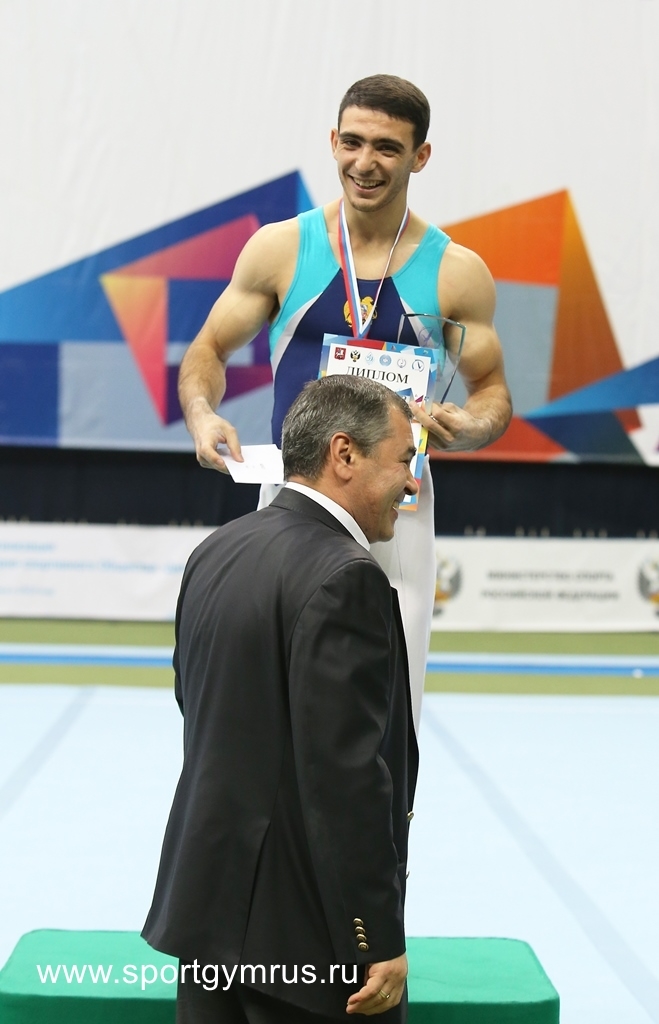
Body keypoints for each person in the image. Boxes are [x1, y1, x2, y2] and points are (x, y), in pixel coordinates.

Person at [177, 74, 512, 729]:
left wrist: (472, 426)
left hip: (396, 509)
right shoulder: (281, 249)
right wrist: (201, 411)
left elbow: (492, 390)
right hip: (291, 496)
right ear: (332, 141)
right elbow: (207, 352)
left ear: (420, 156)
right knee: (266, 704)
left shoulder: (456, 272)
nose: (365, 163)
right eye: (352, 142)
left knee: (386, 714)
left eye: (387, 148)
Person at [142, 375, 420, 1023]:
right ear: (344, 454)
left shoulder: (216, 550)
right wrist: (373, 935)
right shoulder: (347, 576)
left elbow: (195, 704)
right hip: (305, 942)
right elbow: (345, 779)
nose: (412, 484)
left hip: (207, 918)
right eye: (404, 459)